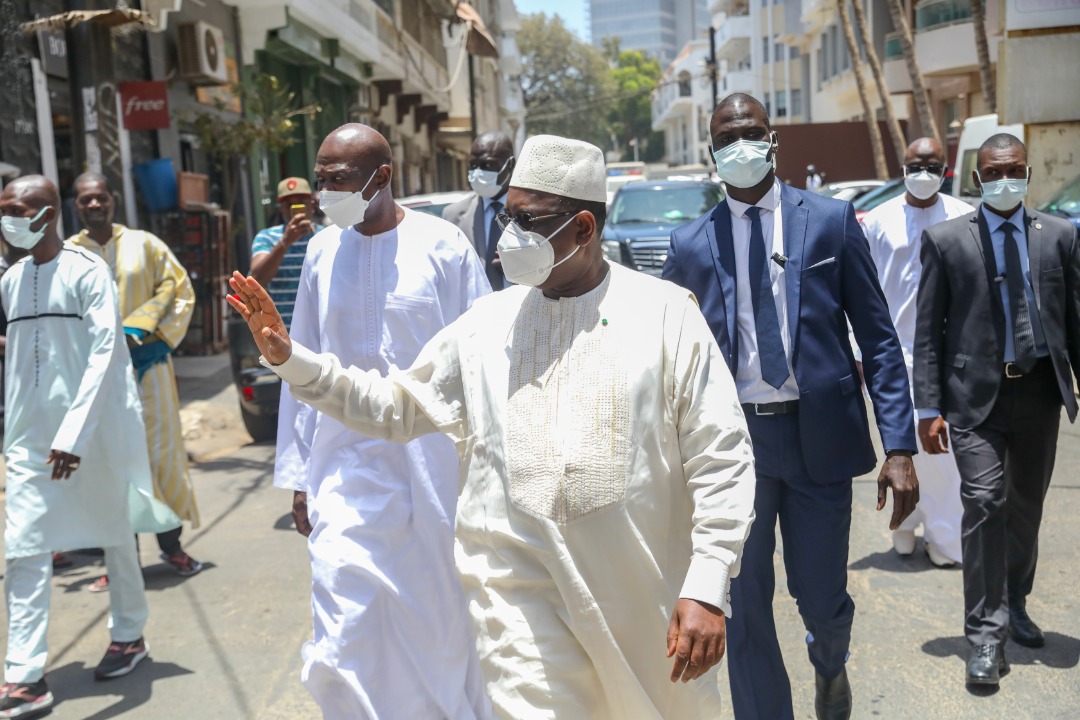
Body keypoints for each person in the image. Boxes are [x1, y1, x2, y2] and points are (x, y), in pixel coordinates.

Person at [230, 134, 757, 719]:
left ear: (583, 229)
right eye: (508, 217)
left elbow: (723, 457)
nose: (510, 236)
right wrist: (290, 359)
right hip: (517, 602)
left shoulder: (665, 315)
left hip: (638, 602)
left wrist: (708, 581)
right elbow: (395, 407)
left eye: (528, 221)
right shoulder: (487, 323)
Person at [663, 93, 918, 720]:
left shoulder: (830, 222)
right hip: (732, 450)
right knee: (743, 611)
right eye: (727, 138)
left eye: (751, 133)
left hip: (820, 440)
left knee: (822, 599)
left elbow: (880, 338)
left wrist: (900, 445)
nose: (740, 147)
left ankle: (831, 666)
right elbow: (661, 356)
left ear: (772, 139)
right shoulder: (692, 244)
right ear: (712, 152)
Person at [272, 123, 491, 719]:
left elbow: (482, 359)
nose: (324, 192)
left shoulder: (444, 247)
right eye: (321, 180)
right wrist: (297, 475)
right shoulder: (320, 250)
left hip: (435, 468)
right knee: (343, 614)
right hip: (343, 466)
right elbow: (300, 363)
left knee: (437, 619)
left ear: (382, 177)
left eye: (337, 180)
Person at [0, 176, 178, 717]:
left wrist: (74, 434)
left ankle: (130, 633)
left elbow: (105, 354)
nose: (5, 220)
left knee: (115, 533)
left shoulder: (86, 270)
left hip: (95, 432)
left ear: (46, 214)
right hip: (27, 440)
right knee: (24, 547)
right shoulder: (10, 279)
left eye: (13, 210)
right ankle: (24, 674)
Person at [913, 133, 1080, 687]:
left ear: (1028, 175)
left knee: (1026, 509)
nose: (1003, 180)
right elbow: (929, 331)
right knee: (985, 502)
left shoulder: (1059, 236)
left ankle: (1015, 602)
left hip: (1038, 396)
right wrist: (928, 406)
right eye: (992, 173)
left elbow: (1073, 322)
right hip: (974, 399)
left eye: (1013, 171)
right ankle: (984, 637)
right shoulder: (945, 240)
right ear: (977, 179)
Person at [68, 173, 202, 588]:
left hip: (149, 368)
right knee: (109, 462)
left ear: (113, 200)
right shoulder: (69, 254)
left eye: (100, 197)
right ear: (76, 205)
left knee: (159, 455)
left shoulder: (146, 243)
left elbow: (178, 289)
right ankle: (119, 561)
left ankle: (172, 546)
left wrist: (154, 335)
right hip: (95, 378)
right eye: (86, 199)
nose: (94, 205)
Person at [859, 137, 974, 567]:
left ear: (945, 169)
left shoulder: (965, 216)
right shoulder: (878, 221)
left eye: (932, 165)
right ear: (902, 167)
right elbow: (861, 291)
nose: (923, 173)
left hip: (947, 355)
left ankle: (944, 538)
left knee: (943, 456)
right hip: (891, 355)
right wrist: (857, 350)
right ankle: (904, 526)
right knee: (901, 446)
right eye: (915, 165)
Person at [442, 131, 515, 290]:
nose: (477, 172)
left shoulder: (533, 214)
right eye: (472, 165)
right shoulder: (452, 215)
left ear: (510, 165)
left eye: (487, 165)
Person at [250, 177, 322, 329]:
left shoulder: (326, 236)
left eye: (301, 201)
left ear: (312, 204)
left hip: (320, 332)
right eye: (289, 203)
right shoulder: (267, 238)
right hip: (281, 332)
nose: (296, 207)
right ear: (281, 208)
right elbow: (257, 278)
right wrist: (285, 242)